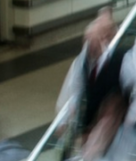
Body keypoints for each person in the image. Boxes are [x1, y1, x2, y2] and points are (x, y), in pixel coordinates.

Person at [55, 8, 130, 139]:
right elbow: (73, 90)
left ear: (103, 39)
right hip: (92, 122)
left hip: (115, 124)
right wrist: (63, 120)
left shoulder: (121, 58)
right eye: (87, 40)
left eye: (92, 41)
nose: (88, 45)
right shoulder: (82, 61)